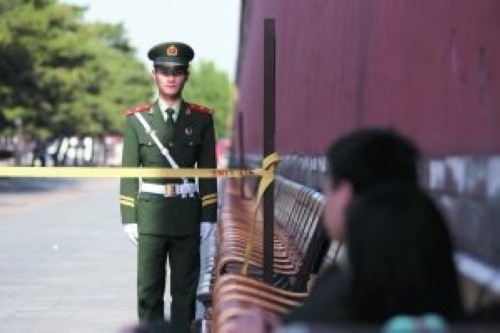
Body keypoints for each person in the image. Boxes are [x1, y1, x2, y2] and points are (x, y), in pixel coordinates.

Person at [119, 41, 217, 332]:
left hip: (187, 215)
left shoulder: (201, 119)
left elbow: (209, 171)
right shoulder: (137, 120)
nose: (170, 77)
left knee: (184, 295)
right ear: (155, 75)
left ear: (186, 75)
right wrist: (129, 217)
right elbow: (128, 172)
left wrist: (208, 214)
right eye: (164, 71)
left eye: (177, 71)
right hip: (150, 216)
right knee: (149, 293)